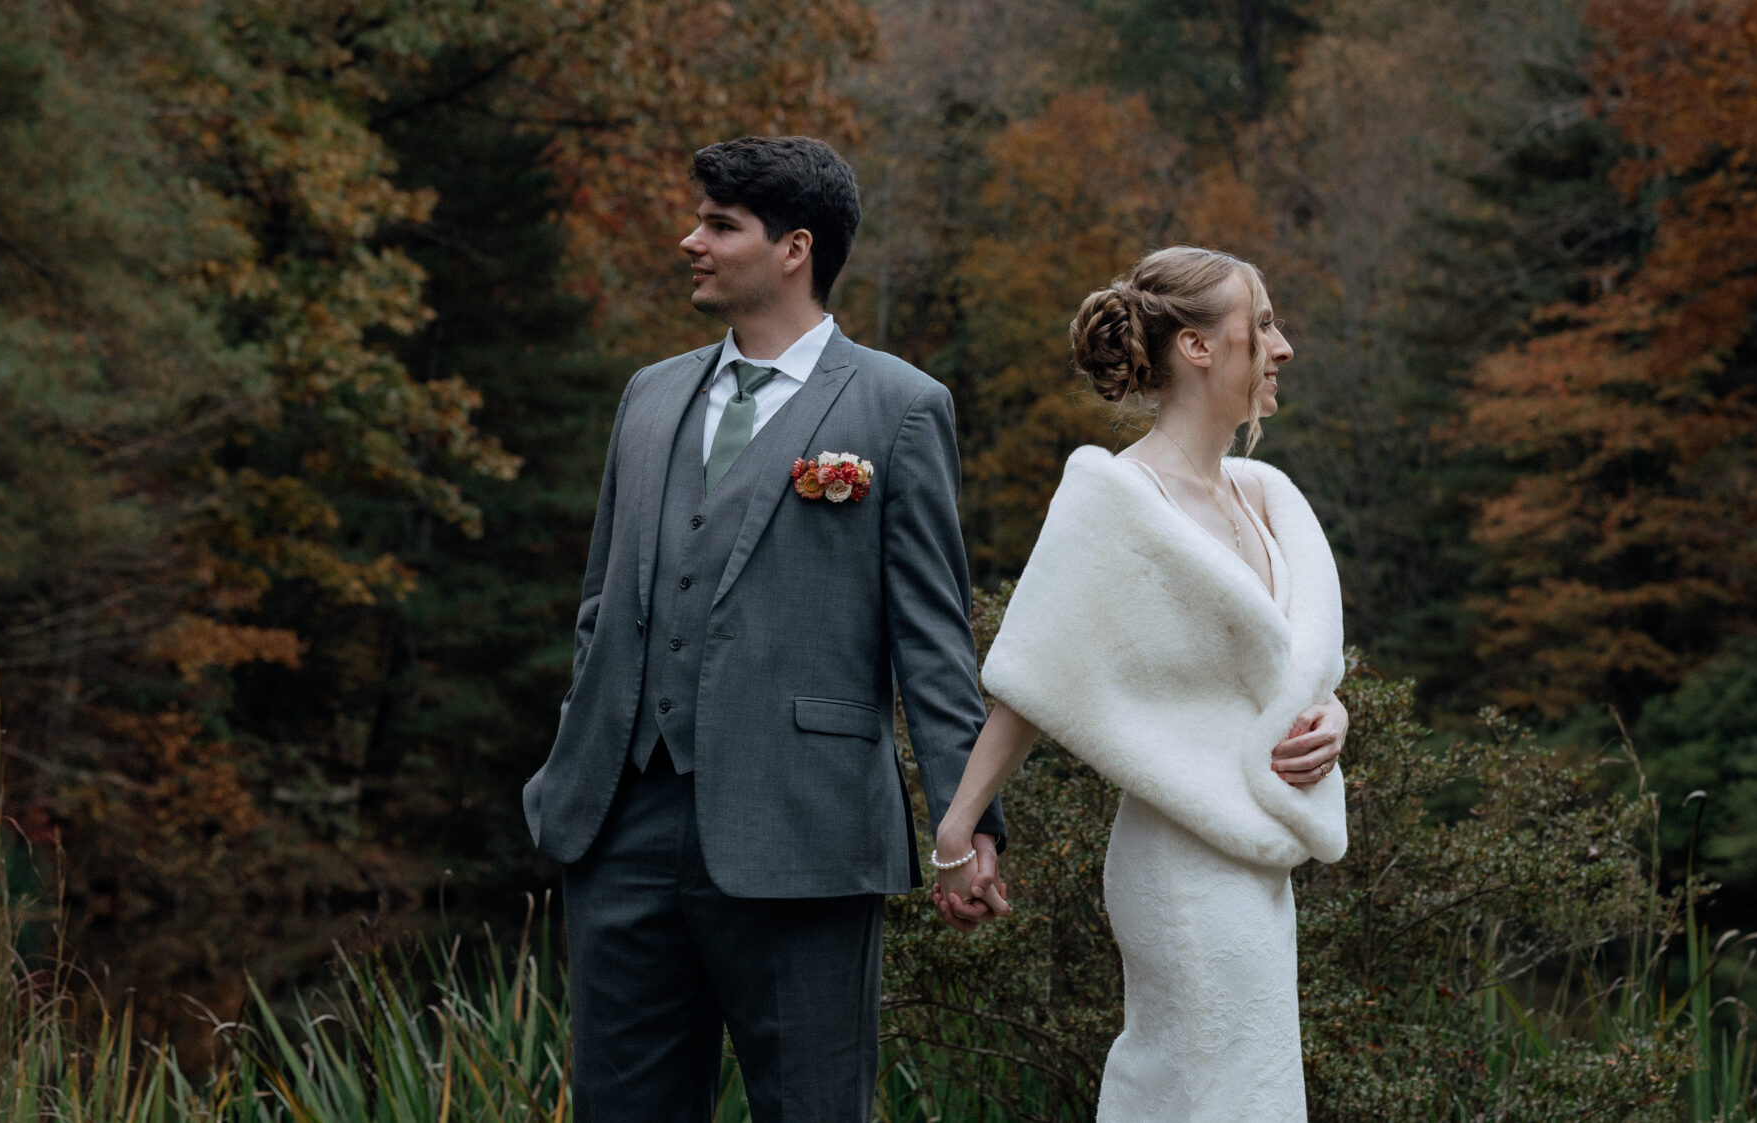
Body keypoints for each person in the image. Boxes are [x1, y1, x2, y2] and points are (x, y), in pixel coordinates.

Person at [521, 135, 1004, 1123]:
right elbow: (602, 608)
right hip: (619, 825)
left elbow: (934, 640)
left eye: (718, 225)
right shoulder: (649, 397)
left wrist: (965, 819)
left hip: (804, 831)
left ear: (793, 248)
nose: (689, 240)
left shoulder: (900, 408)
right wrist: (578, 758)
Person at [930, 245, 1350, 1123]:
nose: (1283, 347)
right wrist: (958, 830)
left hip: (1258, 860)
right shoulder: (1116, 496)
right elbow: (1033, 672)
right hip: (1181, 863)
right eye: (1262, 324)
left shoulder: (1263, 495)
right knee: (1200, 1091)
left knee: (1251, 1091)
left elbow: (1281, 671)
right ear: (1197, 348)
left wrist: (1330, 716)